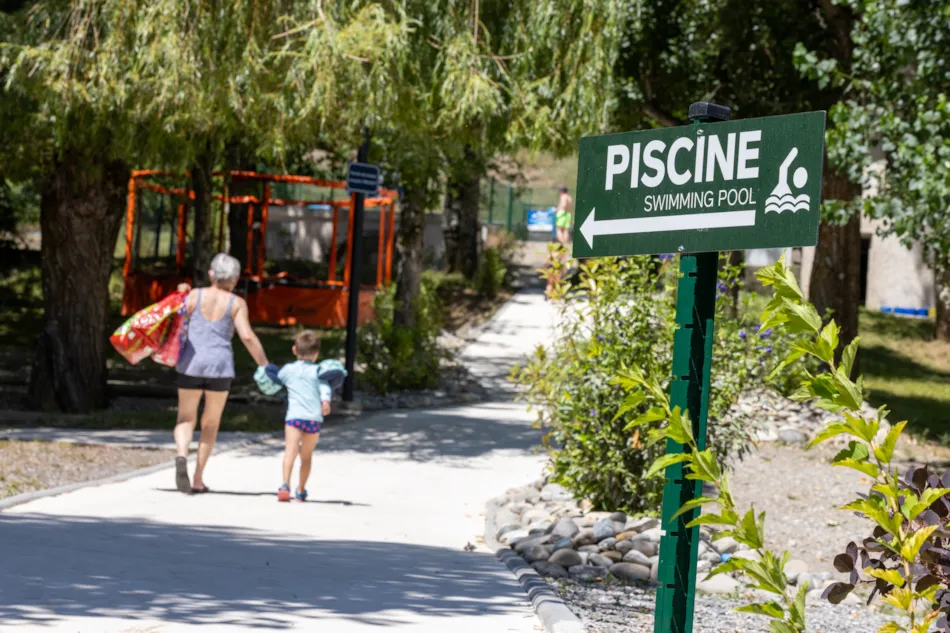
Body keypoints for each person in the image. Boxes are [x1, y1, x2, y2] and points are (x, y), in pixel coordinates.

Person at [173, 253, 269, 494]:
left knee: (185, 419)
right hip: (220, 368)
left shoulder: (194, 296)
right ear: (235, 279)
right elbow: (246, 336)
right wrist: (264, 364)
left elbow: (175, 321)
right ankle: (197, 479)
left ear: (210, 274)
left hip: (191, 364)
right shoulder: (237, 303)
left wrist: (181, 292)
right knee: (211, 424)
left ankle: (182, 454)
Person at [275, 330, 332, 502]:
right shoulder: (319, 371)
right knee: (306, 456)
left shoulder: (288, 370)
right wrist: (325, 401)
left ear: (294, 350)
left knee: (290, 452)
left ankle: (285, 485)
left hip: (294, 418)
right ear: (316, 354)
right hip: (313, 419)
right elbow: (325, 388)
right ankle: (300, 490)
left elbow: (277, 380)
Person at [547, 185, 574, 298]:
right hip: (568, 214)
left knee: (559, 229)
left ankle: (562, 242)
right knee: (566, 230)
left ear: (561, 191)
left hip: (563, 213)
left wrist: (557, 209)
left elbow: (562, 205)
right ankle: (565, 243)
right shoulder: (570, 197)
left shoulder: (563, 197)